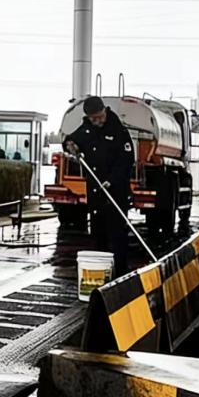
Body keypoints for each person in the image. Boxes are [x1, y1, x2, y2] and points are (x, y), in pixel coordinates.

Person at [63, 96, 135, 275]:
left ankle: (120, 271)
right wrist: (70, 145)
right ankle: (101, 271)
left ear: (104, 111)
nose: (98, 121)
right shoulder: (87, 129)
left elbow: (126, 160)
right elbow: (71, 140)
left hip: (115, 192)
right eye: (93, 119)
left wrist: (112, 180)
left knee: (117, 233)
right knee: (97, 233)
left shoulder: (118, 130)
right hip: (96, 192)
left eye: (100, 117)